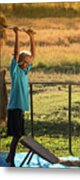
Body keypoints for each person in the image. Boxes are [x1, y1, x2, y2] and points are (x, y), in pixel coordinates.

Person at [6, 26, 35, 167]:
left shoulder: (24, 72)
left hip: (20, 108)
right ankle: (10, 158)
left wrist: (31, 37)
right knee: (16, 135)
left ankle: (9, 157)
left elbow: (33, 55)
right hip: (14, 107)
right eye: (26, 62)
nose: (28, 64)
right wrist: (16, 34)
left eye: (28, 63)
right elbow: (16, 53)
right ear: (20, 62)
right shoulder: (15, 71)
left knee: (19, 134)